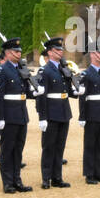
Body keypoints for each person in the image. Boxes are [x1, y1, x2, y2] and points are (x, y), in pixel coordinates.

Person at [0, 37, 31, 193]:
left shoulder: (20, 68)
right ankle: (7, 182)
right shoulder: (3, 70)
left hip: (21, 113)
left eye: (20, 51)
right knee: (7, 149)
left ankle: (17, 179)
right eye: (16, 51)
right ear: (7, 53)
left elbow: (24, 91)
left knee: (18, 149)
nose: (19, 53)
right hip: (9, 115)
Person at [35, 37, 72, 188]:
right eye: (57, 50)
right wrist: (42, 117)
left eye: (61, 49)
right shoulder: (45, 70)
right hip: (51, 112)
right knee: (49, 146)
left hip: (64, 111)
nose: (60, 52)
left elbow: (67, 90)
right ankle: (46, 177)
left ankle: (57, 177)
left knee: (60, 146)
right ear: (50, 52)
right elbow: (41, 96)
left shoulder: (63, 68)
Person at [77, 42, 100, 183]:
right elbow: (83, 97)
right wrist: (82, 116)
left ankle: (99, 172)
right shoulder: (87, 74)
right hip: (92, 114)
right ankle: (89, 174)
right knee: (90, 144)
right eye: (99, 53)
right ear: (92, 54)